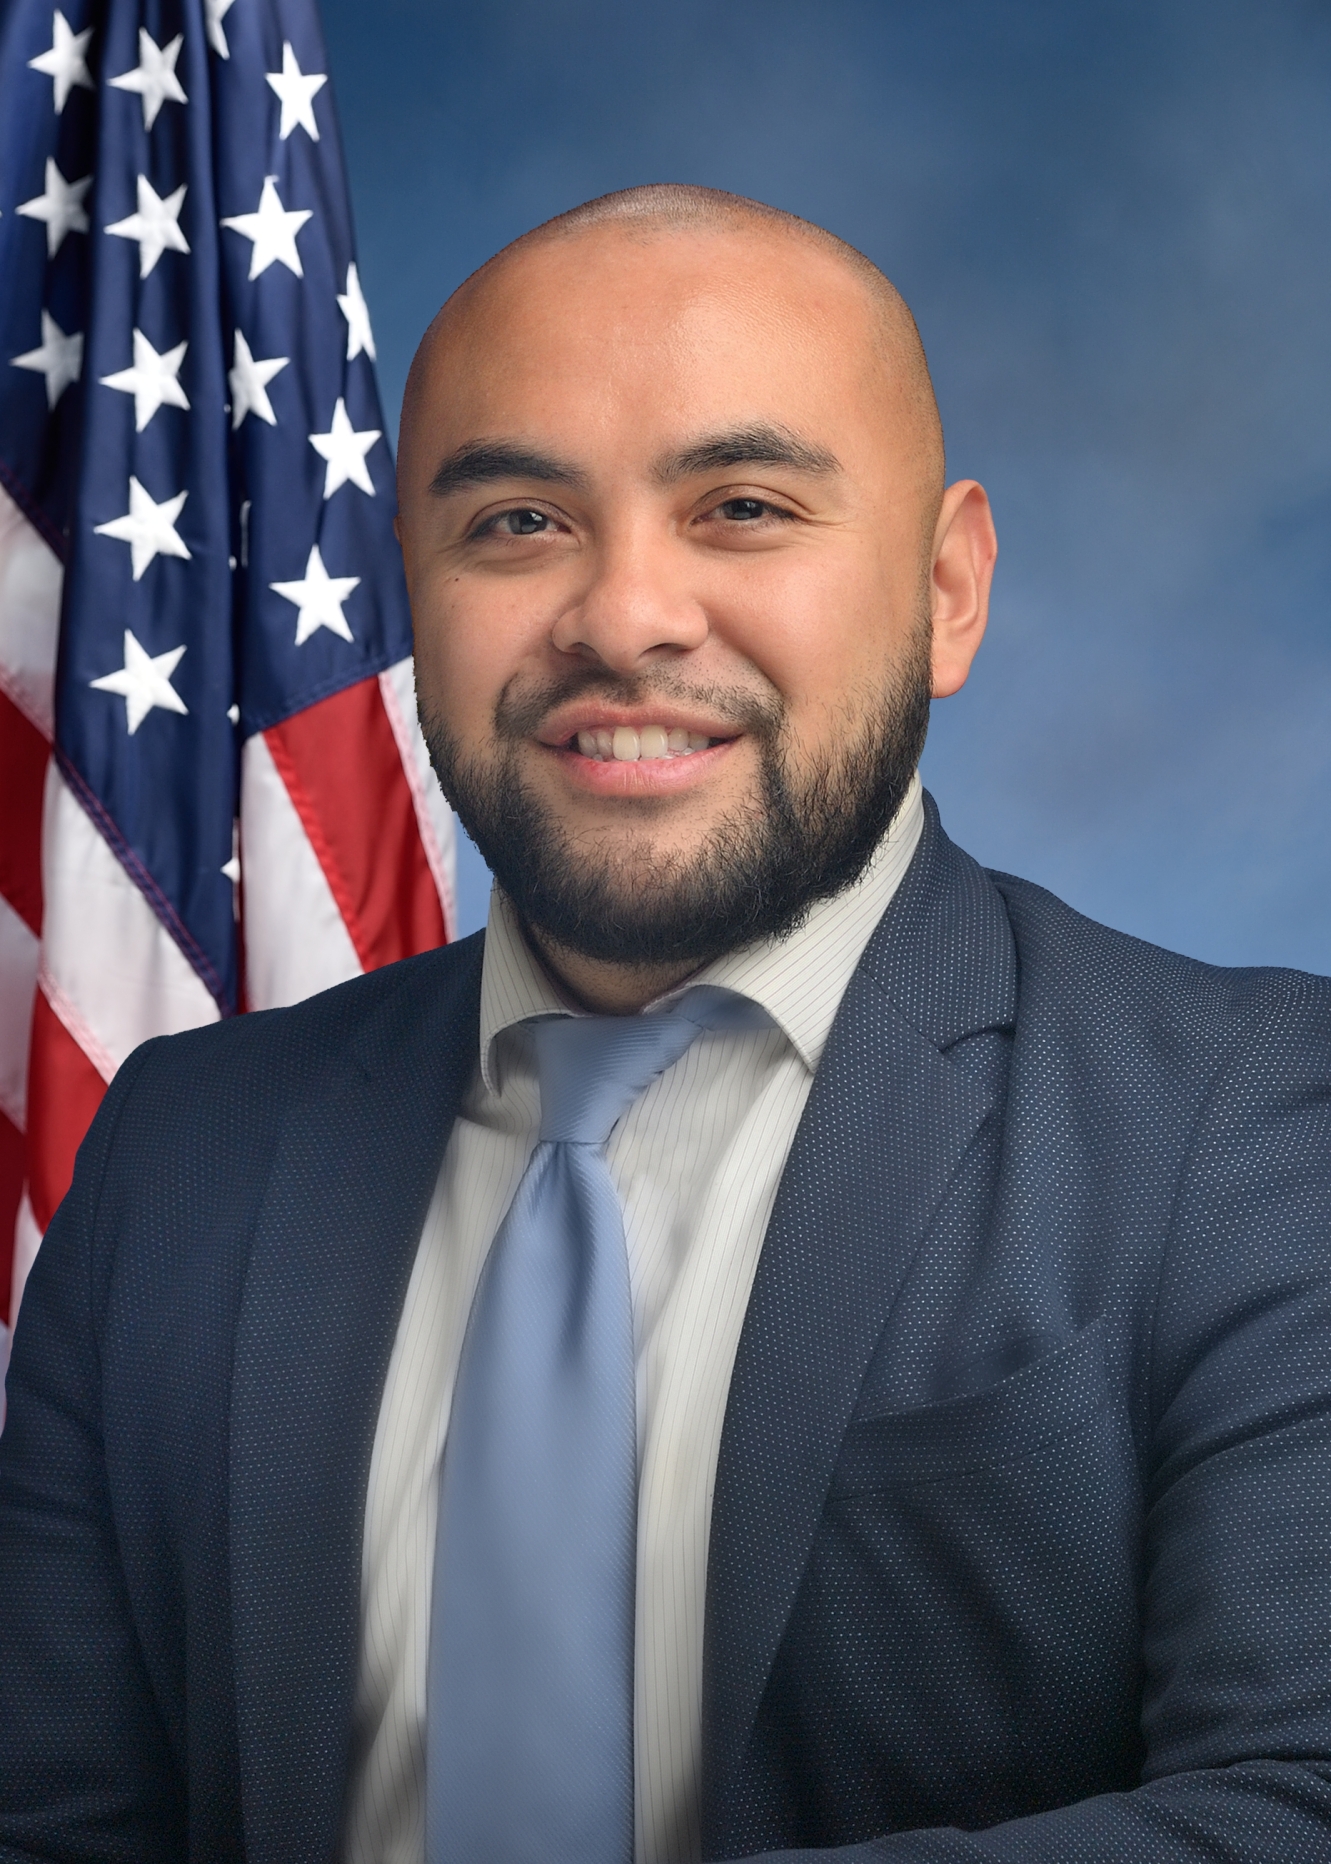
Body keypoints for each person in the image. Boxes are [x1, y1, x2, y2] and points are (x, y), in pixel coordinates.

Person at [2, 183, 1330, 1864]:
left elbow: (1297, 1804)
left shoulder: (1255, 1122)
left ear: (946, 590)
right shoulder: (183, 1147)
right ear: (411, 590)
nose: (624, 616)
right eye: (518, 523)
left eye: (744, 508)